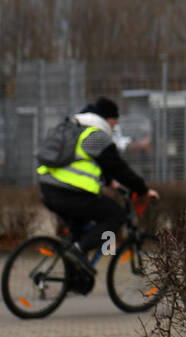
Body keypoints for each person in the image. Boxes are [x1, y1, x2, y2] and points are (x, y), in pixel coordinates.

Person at [36, 95, 158, 281]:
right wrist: (142, 189)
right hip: (68, 191)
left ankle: (74, 279)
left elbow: (94, 161)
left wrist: (109, 182)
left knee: (80, 231)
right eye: (115, 121)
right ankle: (79, 251)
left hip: (48, 187)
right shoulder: (95, 135)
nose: (115, 126)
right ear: (109, 118)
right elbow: (116, 166)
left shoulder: (76, 127)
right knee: (115, 215)